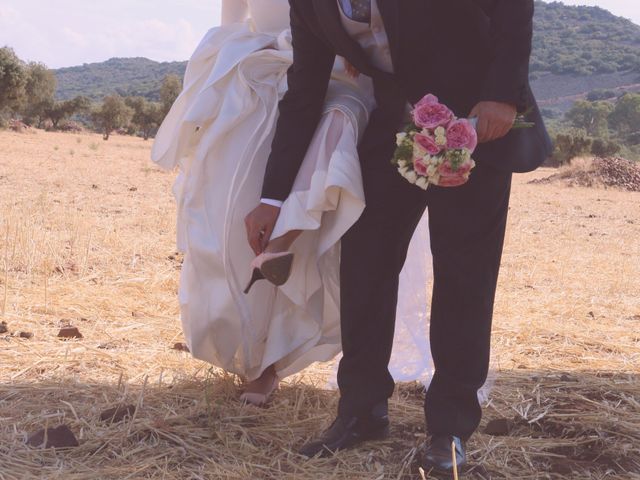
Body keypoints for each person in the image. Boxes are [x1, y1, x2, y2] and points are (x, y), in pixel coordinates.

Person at [244, 0, 552, 473]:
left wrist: (502, 95)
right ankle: (361, 410)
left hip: (476, 125)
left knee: (464, 276)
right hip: (392, 130)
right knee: (364, 264)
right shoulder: (306, 5)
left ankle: (449, 428)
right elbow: (303, 91)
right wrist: (273, 197)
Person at [152, 0, 434, 407]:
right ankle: (256, 355)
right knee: (239, 205)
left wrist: (354, 51)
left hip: (339, 74)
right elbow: (229, 23)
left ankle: (287, 239)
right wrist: (249, 50)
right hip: (260, 73)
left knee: (338, 126)